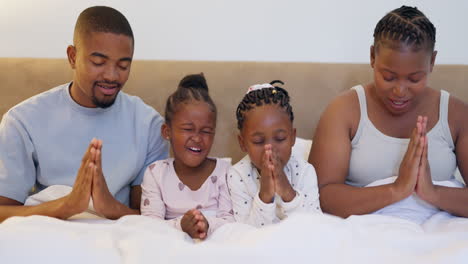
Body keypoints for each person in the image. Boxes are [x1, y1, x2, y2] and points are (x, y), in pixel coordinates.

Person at [0, 6, 168, 221]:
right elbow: (3, 212)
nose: (111, 75)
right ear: (72, 56)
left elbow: (151, 218)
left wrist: (109, 206)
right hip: (49, 233)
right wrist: (67, 205)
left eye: (123, 66)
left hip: (117, 236)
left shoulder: (149, 124)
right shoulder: (22, 121)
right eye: (98, 62)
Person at [309, 6, 468, 219]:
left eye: (414, 79)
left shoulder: (456, 114)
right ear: (373, 56)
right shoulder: (344, 111)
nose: (400, 91)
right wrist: (397, 189)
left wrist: (433, 192)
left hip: (440, 236)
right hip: (363, 236)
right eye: (388, 77)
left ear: (432, 62)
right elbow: (321, 196)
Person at [140, 74, 233, 240]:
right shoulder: (156, 173)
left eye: (206, 131)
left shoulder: (226, 172)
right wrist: (181, 225)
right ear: (166, 131)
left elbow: (233, 223)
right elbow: (149, 226)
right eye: (188, 129)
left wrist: (207, 224)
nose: (197, 138)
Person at [227, 81, 321, 228]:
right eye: (258, 141)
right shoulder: (238, 175)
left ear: (293, 137)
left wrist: (287, 191)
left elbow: (315, 227)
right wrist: (265, 195)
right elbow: (245, 234)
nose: (269, 149)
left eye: (280, 139)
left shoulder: (305, 171)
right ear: (242, 142)